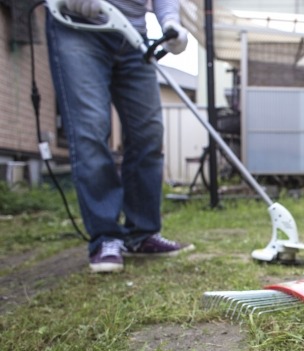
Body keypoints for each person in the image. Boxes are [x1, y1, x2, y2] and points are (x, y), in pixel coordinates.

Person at [46, 0, 194, 273]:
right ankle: (106, 237)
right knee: (90, 129)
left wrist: (170, 20)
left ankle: (141, 234)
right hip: (77, 26)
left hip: (133, 33)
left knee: (148, 133)